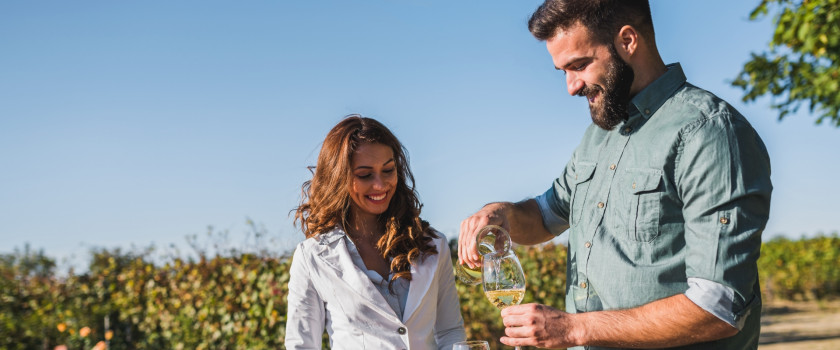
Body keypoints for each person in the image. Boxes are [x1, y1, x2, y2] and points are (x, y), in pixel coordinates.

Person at [458, 1, 772, 349]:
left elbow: (719, 305)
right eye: (562, 71)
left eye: (578, 65)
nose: (571, 86)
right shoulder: (600, 136)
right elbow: (547, 215)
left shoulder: (708, 132)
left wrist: (575, 329)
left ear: (627, 41)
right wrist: (501, 214)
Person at [286, 115, 466, 349]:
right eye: (365, 174)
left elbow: (450, 331)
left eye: (388, 170)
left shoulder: (432, 244)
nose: (380, 185)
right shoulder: (312, 257)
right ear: (338, 177)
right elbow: (301, 345)